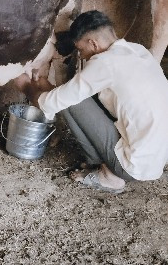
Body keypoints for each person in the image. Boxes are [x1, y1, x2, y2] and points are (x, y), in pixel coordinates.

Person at [15, 10, 168, 194]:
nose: (82, 56)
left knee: (72, 101)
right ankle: (103, 163)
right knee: (75, 94)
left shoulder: (105, 63)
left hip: (132, 166)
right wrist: (47, 86)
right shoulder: (138, 51)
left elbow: (55, 102)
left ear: (93, 44)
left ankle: (109, 177)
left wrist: (25, 85)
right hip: (154, 158)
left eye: (81, 50)